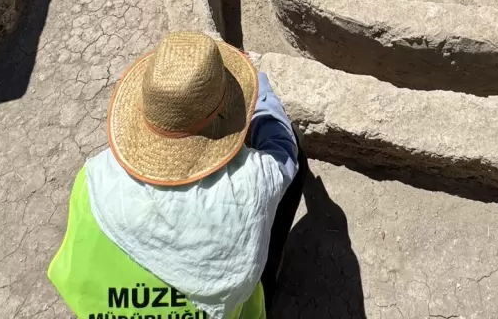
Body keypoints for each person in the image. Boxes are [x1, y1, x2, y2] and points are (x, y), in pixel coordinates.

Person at [48, 31, 306, 319]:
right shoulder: (250, 184)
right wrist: (259, 86)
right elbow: (283, 149)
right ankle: (267, 284)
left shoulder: (92, 178)